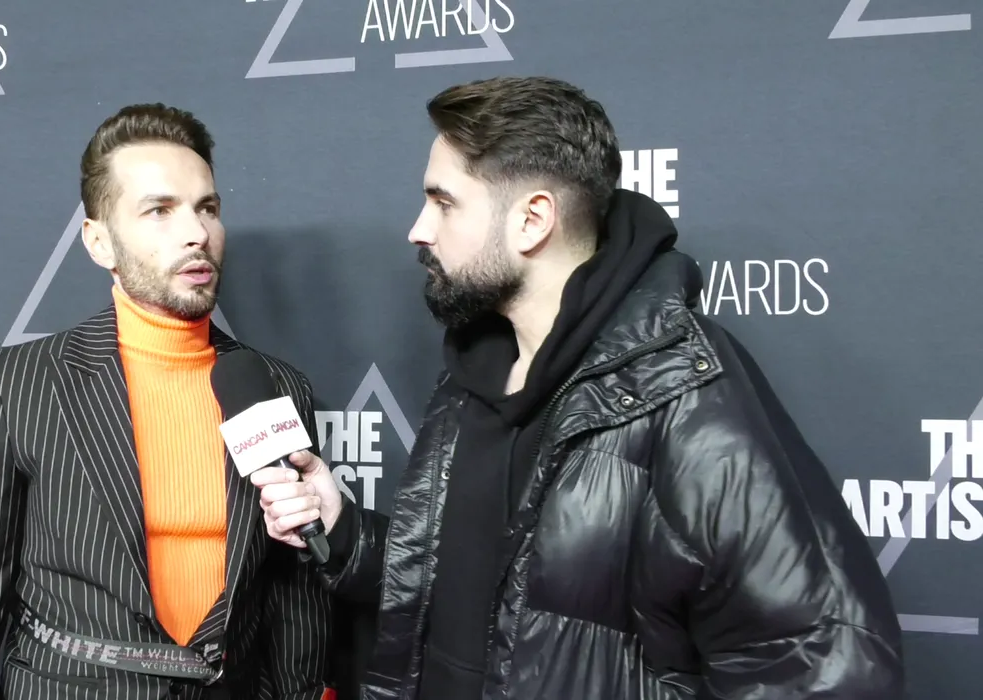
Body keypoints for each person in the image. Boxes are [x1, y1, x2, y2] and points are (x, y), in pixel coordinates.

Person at [251, 77, 906, 699]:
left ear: (532, 219)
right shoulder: (474, 375)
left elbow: (823, 663)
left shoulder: (683, 387)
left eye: (444, 202)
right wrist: (343, 531)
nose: (419, 230)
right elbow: (485, 596)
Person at [0, 103, 336, 700]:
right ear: (99, 241)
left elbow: (294, 591)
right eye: (160, 210)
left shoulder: (277, 387)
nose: (196, 233)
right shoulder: (17, 385)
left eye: (207, 208)